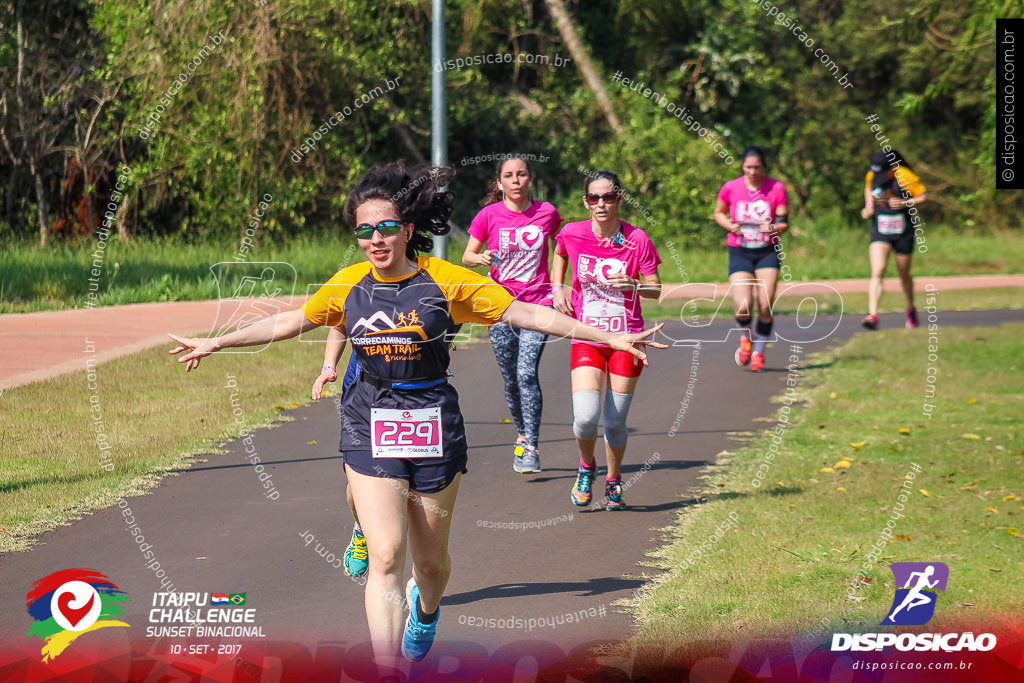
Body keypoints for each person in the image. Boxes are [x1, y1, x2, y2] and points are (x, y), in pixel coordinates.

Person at [168, 162, 665, 669]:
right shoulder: (348, 284)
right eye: (364, 231)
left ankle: (426, 612)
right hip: (369, 417)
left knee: (430, 565)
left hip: (433, 421)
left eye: (385, 228)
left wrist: (605, 335)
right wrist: (217, 341)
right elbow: (293, 320)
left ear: (407, 229)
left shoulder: (445, 280)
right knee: (385, 555)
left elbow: (524, 312)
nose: (375, 240)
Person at [551, 170, 662, 511]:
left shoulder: (637, 238)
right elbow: (560, 253)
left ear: (619, 199)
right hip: (588, 336)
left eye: (608, 197)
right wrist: (558, 287)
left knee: (614, 421)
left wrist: (636, 285)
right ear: (586, 201)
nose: (601, 204)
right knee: (585, 416)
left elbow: (656, 288)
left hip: (627, 338)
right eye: (594, 198)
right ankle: (587, 467)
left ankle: (614, 481)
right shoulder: (573, 232)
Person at [462, 155, 563, 473]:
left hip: (538, 304)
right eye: (509, 175)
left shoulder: (547, 213)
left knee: (525, 373)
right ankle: (521, 433)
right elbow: (467, 255)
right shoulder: (488, 215)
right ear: (500, 182)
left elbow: (561, 247)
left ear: (531, 180)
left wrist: (559, 288)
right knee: (510, 379)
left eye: (522, 174)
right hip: (500, 307)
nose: (516, 180)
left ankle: (531, 446)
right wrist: (481, 259)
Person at [712, 145, 790, 372]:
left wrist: (774, 227)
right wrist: (730, 225)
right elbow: (718, 212)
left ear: (764, 166)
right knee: (743, 305)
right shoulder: (731, 187)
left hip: (767, 251)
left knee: (765, 305)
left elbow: (784, 223)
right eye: (748, 167)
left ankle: (759, 351)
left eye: (757, 167)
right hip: (740, 250)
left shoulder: (776, 188)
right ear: (742, 166)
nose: (753, 172)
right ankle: (746, 338)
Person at [859, 150, 928, 330]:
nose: (878, 175)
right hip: (880, 230)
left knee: (903, 273)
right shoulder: (872, 174)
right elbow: (868, 188)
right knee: (878, 270)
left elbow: (923, 196)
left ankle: (911, 308)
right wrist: (868, 207)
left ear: (893, 167)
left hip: (903, 231)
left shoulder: (905, 175)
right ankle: (872, 314)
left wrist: (905, 203)